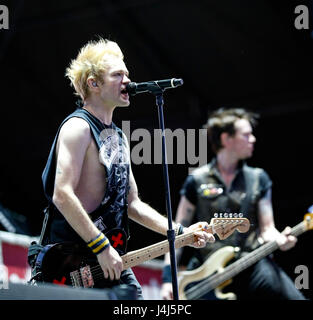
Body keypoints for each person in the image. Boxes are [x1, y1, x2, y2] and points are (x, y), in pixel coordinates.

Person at [38, 38, 215, 299]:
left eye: (127, 74)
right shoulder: (77, 128)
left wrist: (182, 232)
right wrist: (100, 246)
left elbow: (132, 204)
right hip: (70, 262)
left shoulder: (118, 137)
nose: (127, 81)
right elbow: (62, 194)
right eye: (117, 74)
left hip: (108, 256)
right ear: (93, 83)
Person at [161, 108, 305, 300]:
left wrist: (281, 240)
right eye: (246, 135)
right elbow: (177, 234)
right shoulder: (197, 180)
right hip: (207, 271)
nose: (252, 139)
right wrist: (167, 280)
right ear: (226, 139)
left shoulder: (258, 178)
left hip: (251, 263)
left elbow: (267, 229)